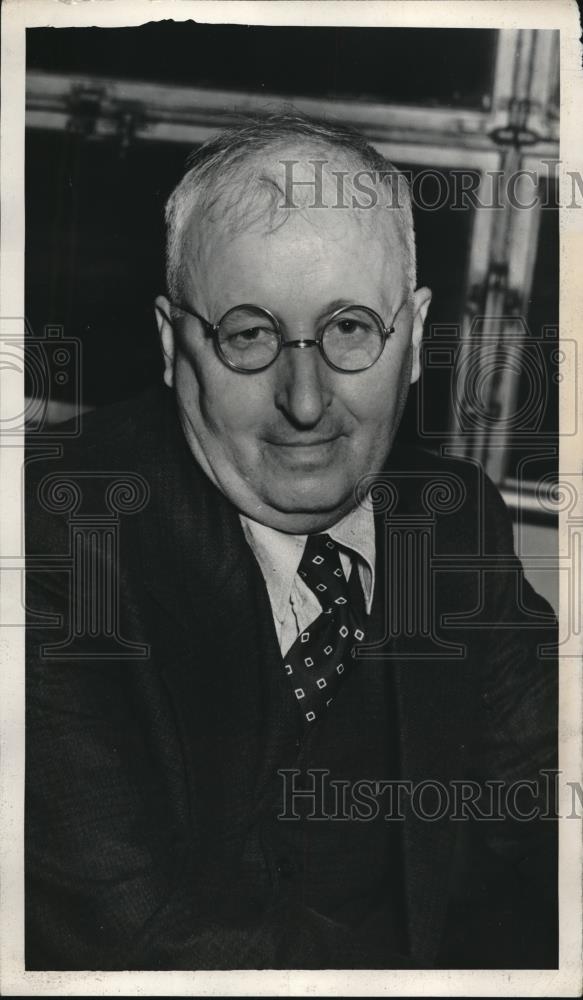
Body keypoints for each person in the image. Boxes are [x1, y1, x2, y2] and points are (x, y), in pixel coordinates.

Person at [25, 113, 557, 971]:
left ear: (414, 336)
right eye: (248, 334)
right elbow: (137, 942)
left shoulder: (452, 519)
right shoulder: (54, 540)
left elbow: (546, 797)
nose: (305, 403)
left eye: (350, 328)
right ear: (173, 346)